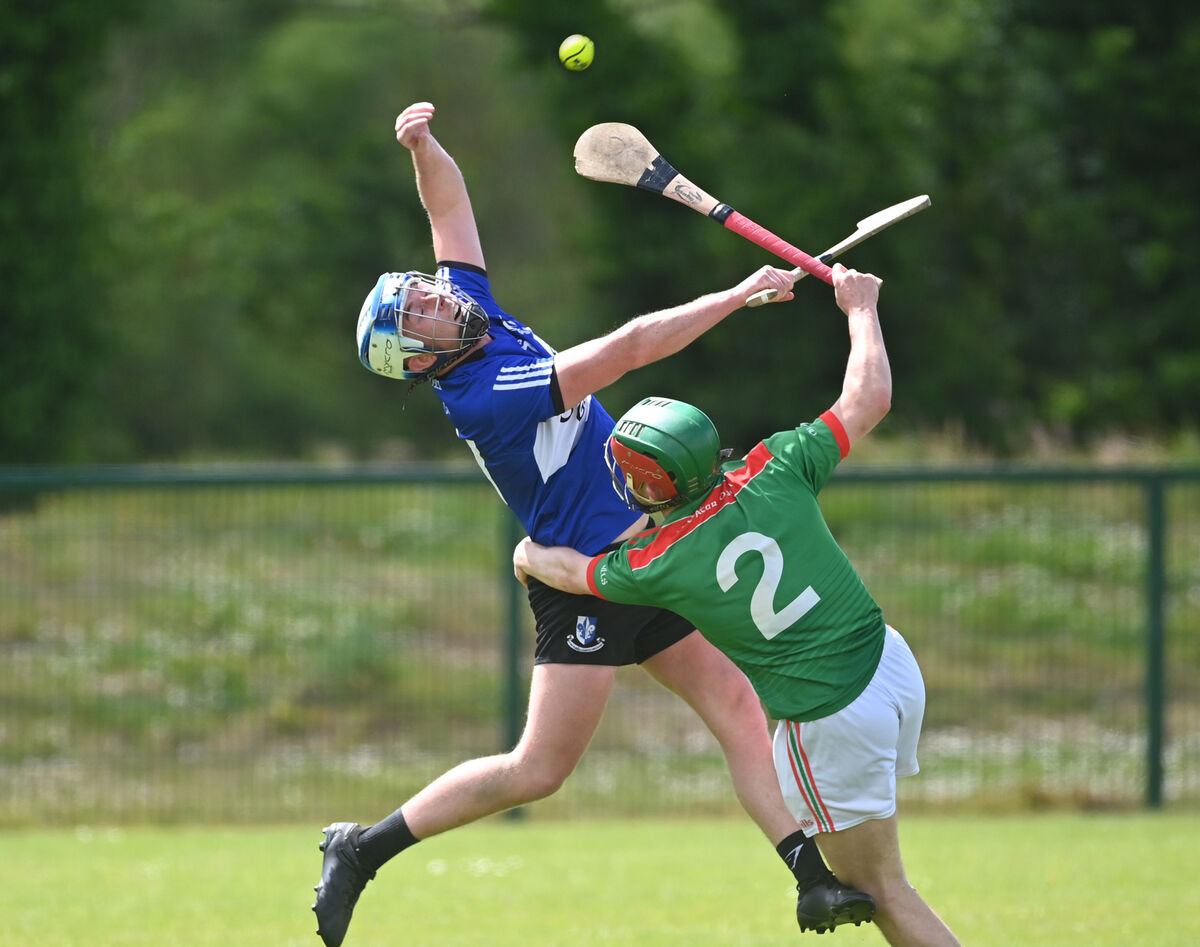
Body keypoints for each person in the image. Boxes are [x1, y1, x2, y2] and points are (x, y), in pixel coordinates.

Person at [310, 101, 874, 946]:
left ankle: (810, 877)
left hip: (649, 555)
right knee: (539, 769)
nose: (437, 302)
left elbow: (446, 211)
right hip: (580, 575)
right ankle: (363, 846)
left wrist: (423, 145)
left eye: (426, 293)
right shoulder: (478, 392)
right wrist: (738, 294)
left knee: (735, 704)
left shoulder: (476, 313)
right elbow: (630, 347)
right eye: (421, 315)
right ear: (417, 361)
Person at [513, 265, 960, 946]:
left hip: (829, 714)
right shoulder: (778, 463)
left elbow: (574, 573)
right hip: (891, 667)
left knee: (883, 891)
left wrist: (525, 556)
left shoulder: (655, 562)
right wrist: (860, 308)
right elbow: (869, 394)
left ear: (650, 484)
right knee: (879, 861)